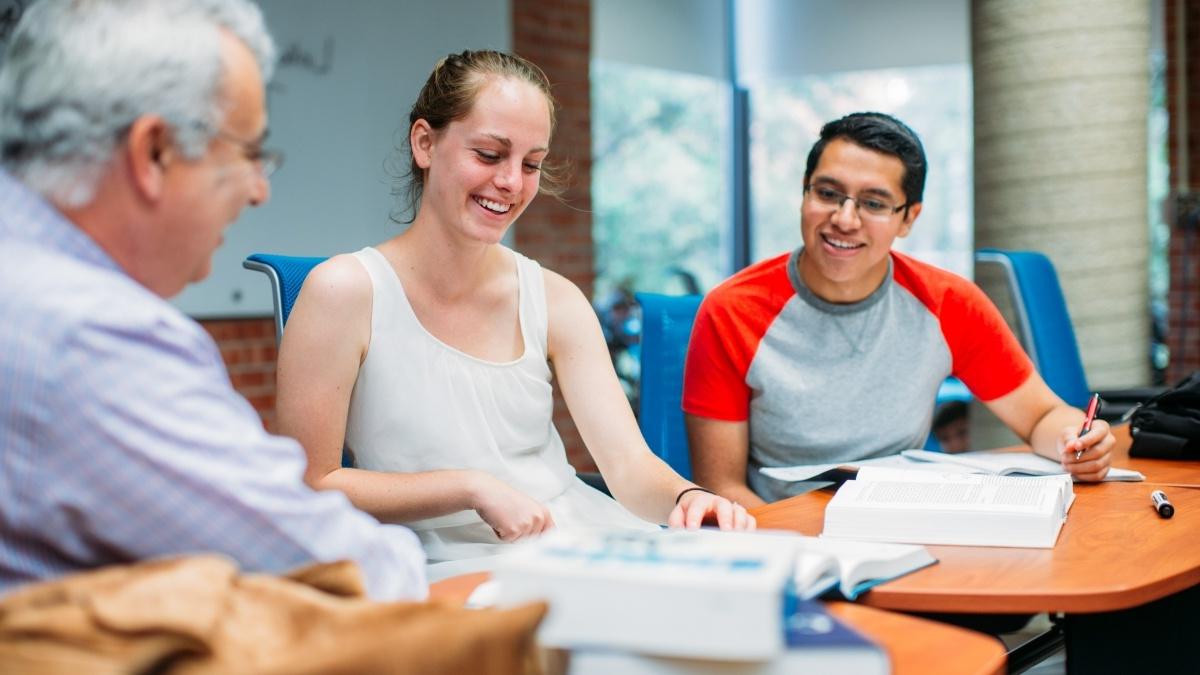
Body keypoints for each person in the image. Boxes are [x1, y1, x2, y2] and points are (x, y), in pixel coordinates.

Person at [0, 0, 425, 601]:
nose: (259, 191)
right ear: (154, 152)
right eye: (249, 153)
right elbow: (343, 570)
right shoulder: (92, 339)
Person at [275, 50, 754, 580]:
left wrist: (689, 498)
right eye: (488, 154)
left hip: (578, 545)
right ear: (425, 143)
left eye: (531, 164)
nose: (511, 182)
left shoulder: (555, 297)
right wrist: (469, 486)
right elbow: (310, 484)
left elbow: (628, 468)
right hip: (439, 569)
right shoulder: (343, 291)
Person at [683, 112, 1115, 507]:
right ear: (804, 194)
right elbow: (722, 488)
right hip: (785, 536)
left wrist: (1075, 442)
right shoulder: (731, 312)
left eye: (873, 203)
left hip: (903, 520)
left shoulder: (949, 304)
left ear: (908, 218)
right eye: (828, 193)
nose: (845, 219)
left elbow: (1042, 414)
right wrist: (809, 548)